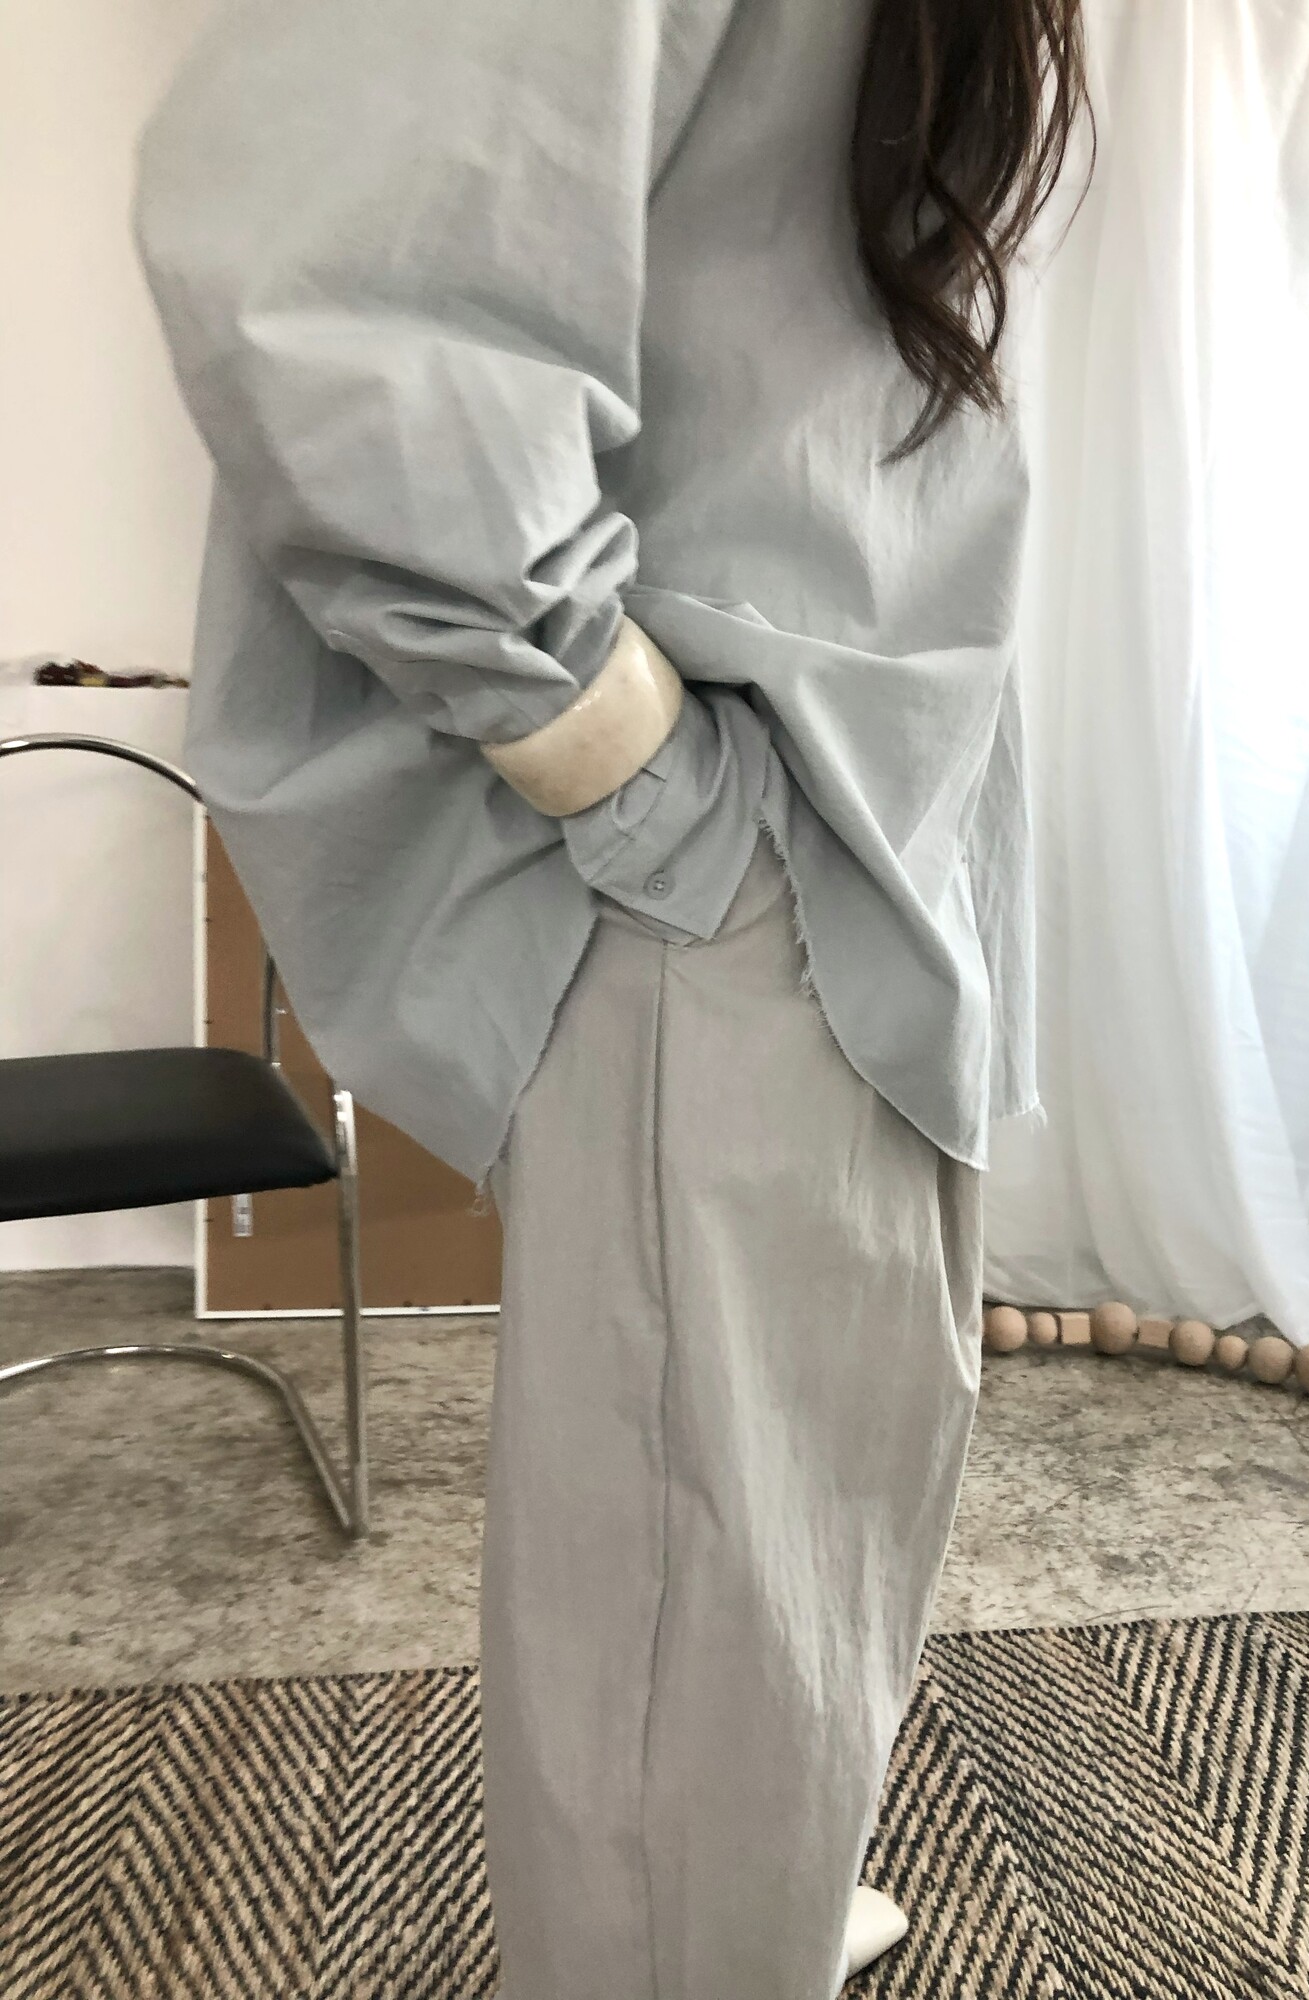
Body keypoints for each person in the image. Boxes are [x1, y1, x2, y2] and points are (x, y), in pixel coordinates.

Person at [131, 0, 1091, 1991]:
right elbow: (329, 288)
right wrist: (650, 787)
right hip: (732, 830)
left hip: (845, 806)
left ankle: (743, 1877)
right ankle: (689, 1915)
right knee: (700, 1569)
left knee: (804, 1502)